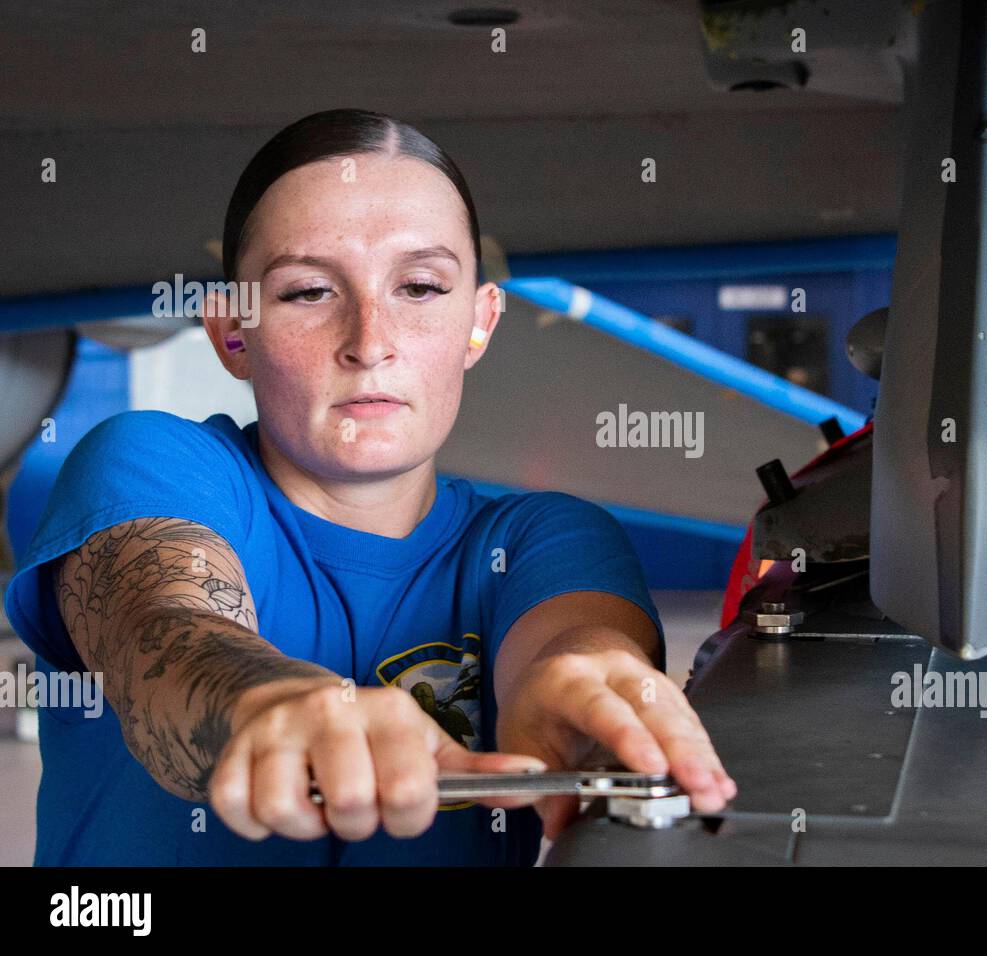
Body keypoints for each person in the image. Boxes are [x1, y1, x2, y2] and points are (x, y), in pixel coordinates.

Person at [3, 108, 735, 866]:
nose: (371, 343)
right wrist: (259, 701)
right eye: (308, 292)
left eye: (420, 287)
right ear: (230, 333)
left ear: (479, 324)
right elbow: (162, 626)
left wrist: (586, 680)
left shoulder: (542, 537)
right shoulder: (153, 462)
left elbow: (568, 644)